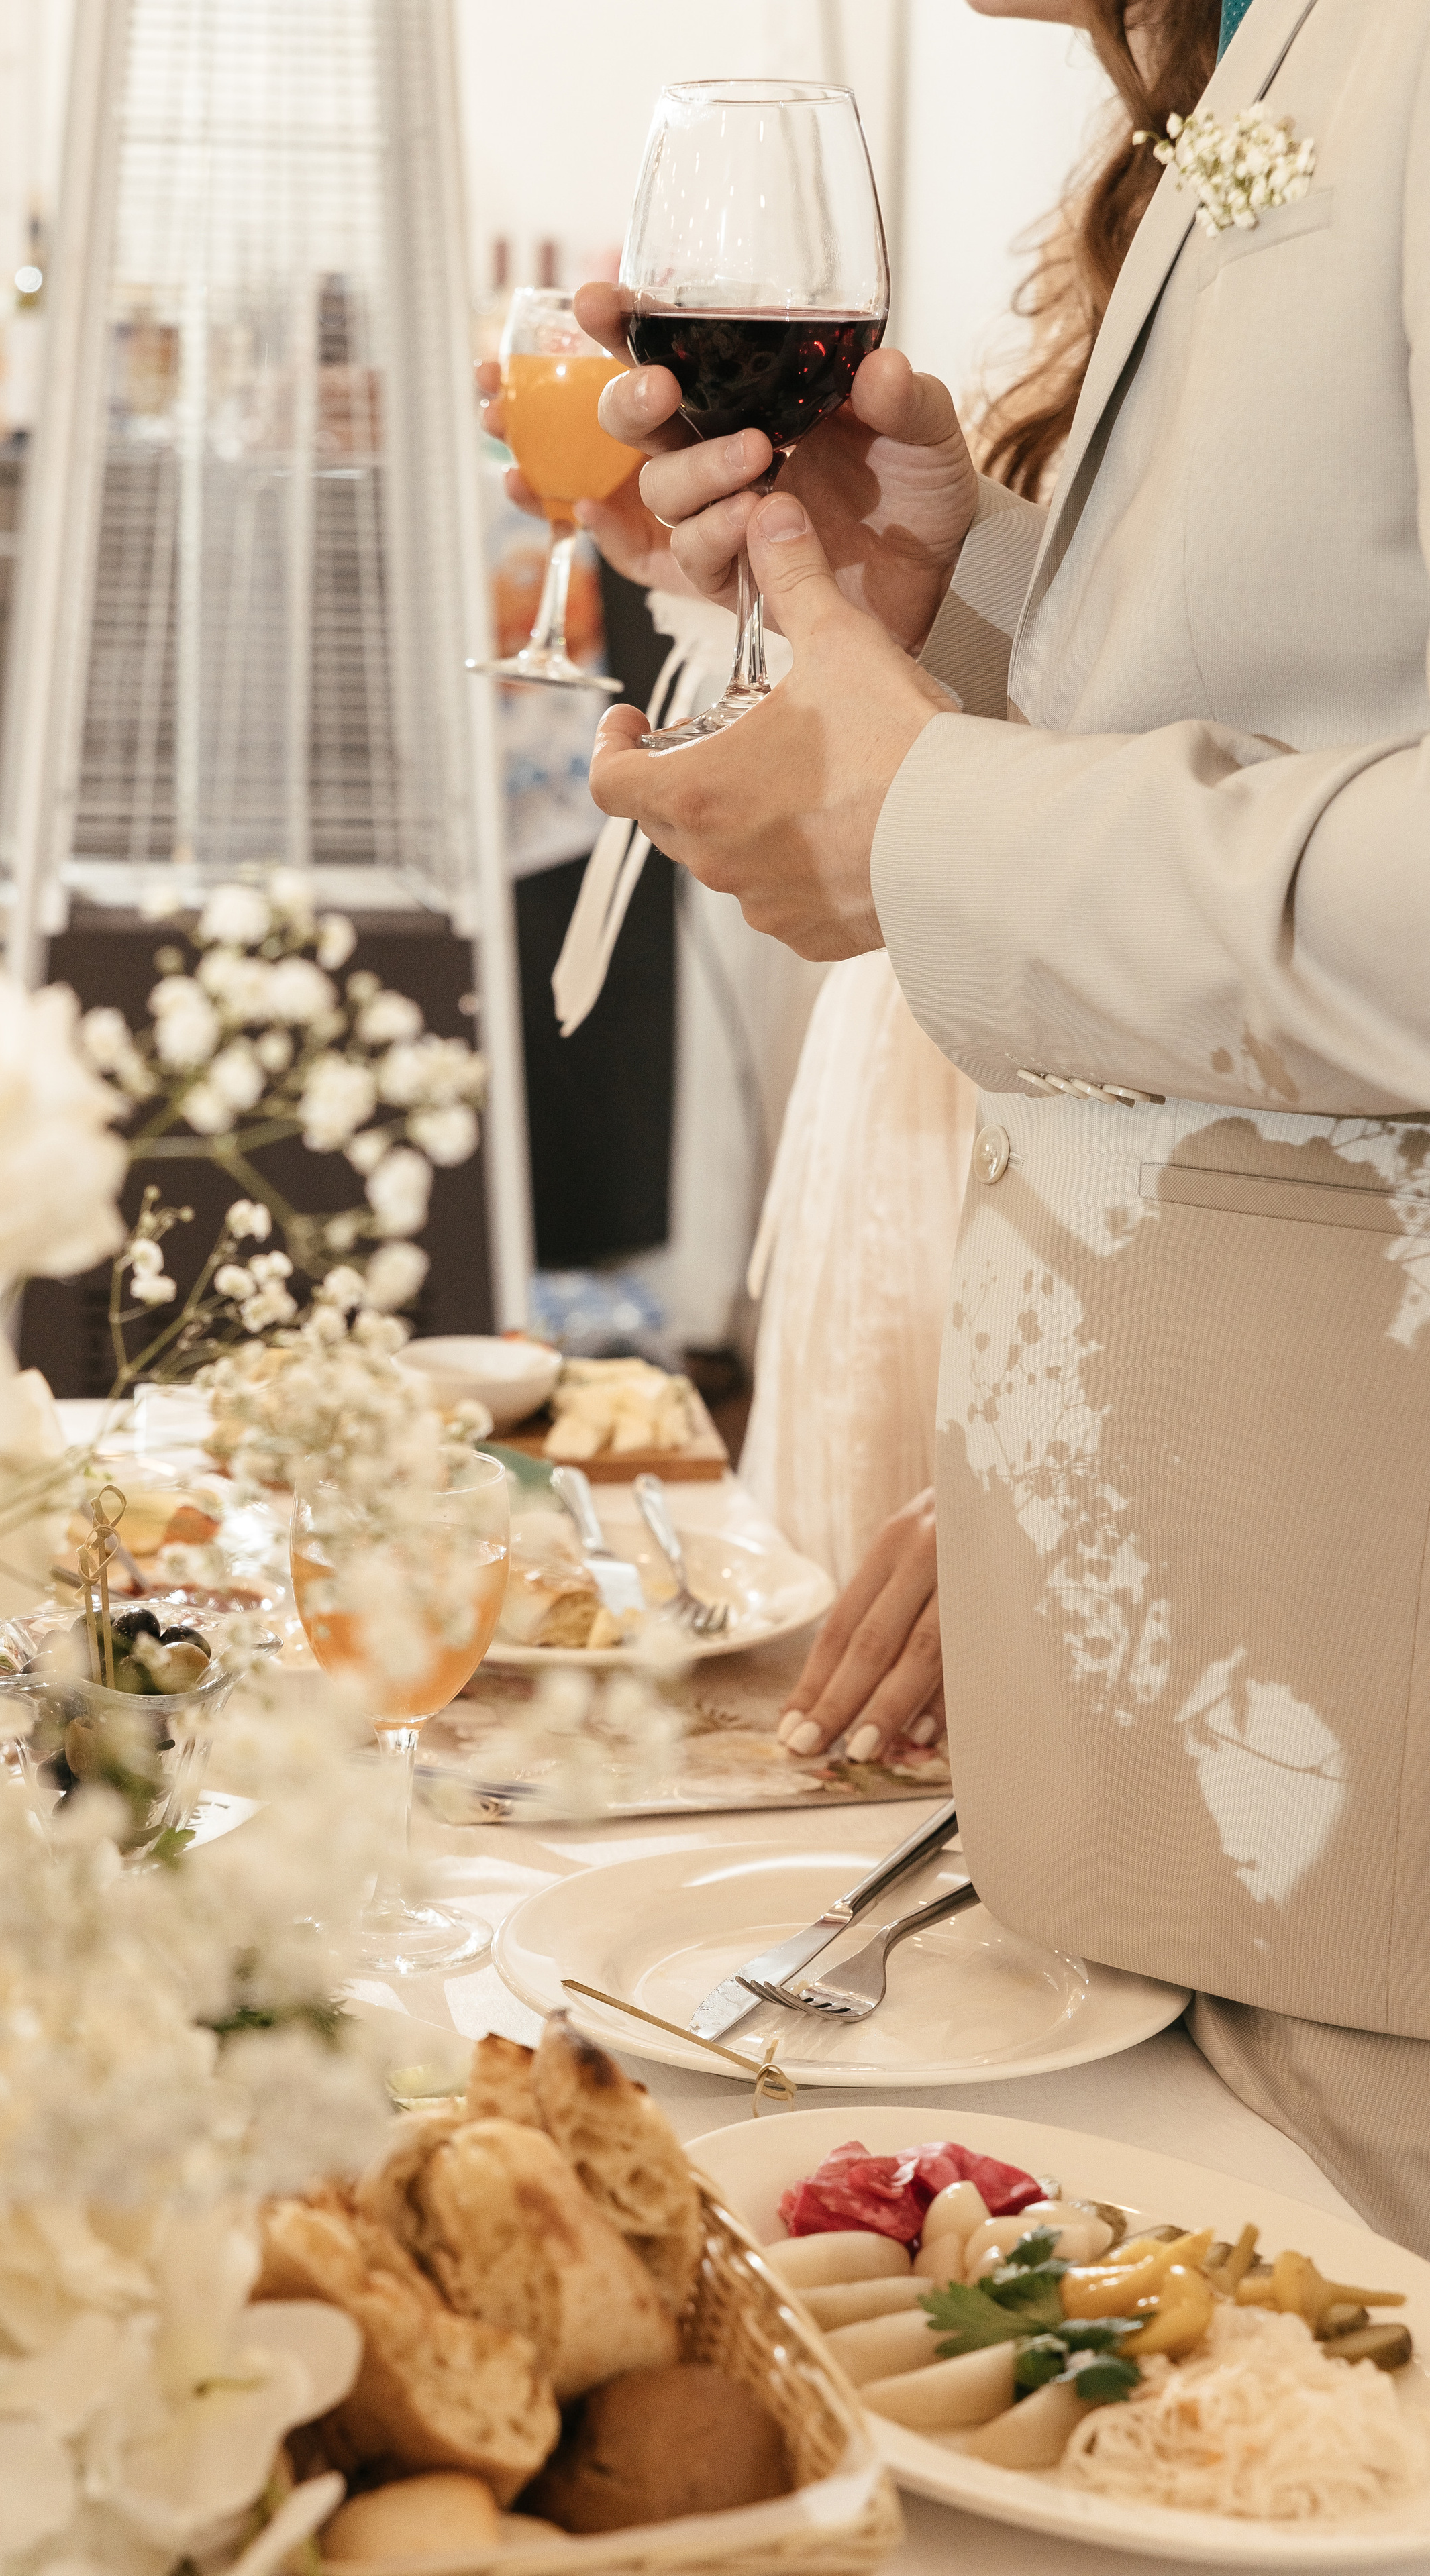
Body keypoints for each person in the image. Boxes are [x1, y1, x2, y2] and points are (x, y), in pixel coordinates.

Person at [580, 0, 1430, 2253]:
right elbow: (1324, 699)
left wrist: (943, 827)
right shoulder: (1286, 50)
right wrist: (944, 605)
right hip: (1211, 1763)